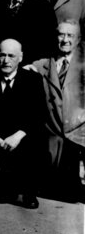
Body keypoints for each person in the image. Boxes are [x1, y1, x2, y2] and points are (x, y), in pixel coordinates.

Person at [0, 39, 46, 208]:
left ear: (21, 57)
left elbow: (39, 114)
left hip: (20, 136)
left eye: (11, 56)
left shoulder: (33, 79)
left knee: (37, 141)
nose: (6, 60)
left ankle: (29, 193)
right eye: (2, 55)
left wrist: (18, 135)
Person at [31, 21, 85, 201]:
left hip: (78, 129)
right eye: (61, 35)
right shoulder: (45, 64)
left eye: (70, 36)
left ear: (78, 40)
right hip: (53, 130)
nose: (65, 40)